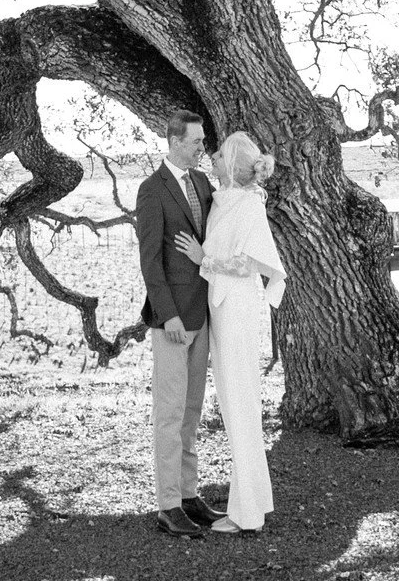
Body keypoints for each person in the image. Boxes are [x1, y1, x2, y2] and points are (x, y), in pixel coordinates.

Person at [174, 130, 285, 535]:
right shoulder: (224, 200)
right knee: (233, 405)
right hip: (219, 311)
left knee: (240, 405)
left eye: (219, 155)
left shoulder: (249, 206)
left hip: (236, 311)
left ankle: (246, 515)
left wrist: (205, 259)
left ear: (233, 167)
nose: (212, 158)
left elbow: (249, 264)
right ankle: (252, 501)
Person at [136, 109, 225, 538]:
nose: (201, 147)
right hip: (171, 321)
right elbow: (150, 263)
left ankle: (189, 495)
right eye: (195, 141)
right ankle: (169, 505)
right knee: (170, 415)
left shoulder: (205, 185)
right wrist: (168, 315)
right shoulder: (151, 191)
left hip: (203, 316)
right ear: (174, 141)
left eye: (203, 141)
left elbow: (216, 240)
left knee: (191, 413)